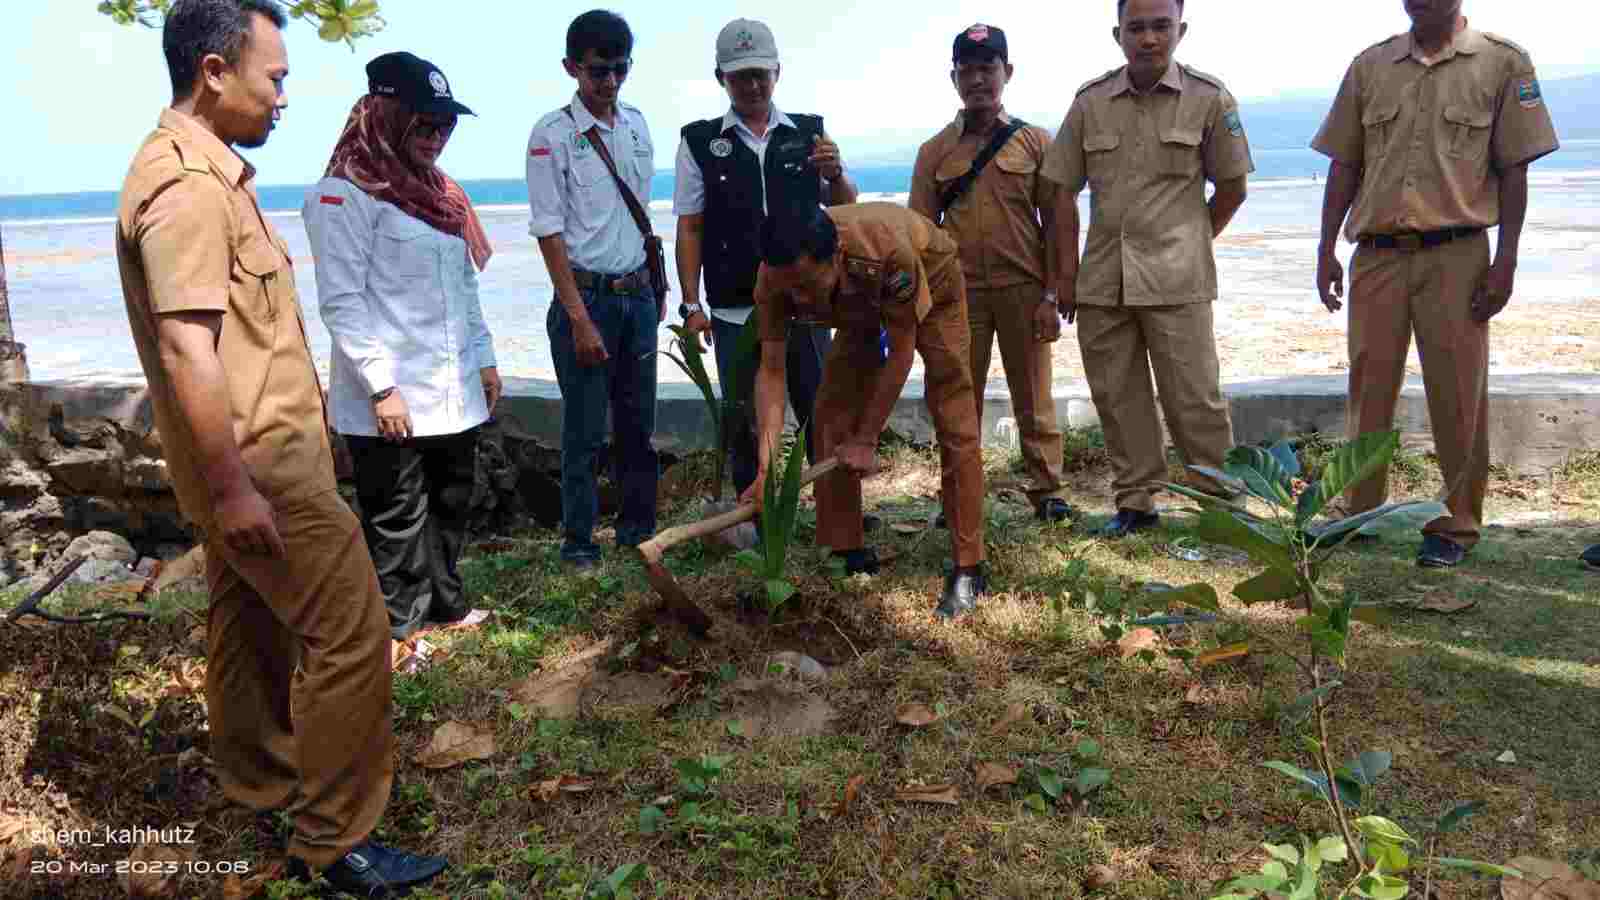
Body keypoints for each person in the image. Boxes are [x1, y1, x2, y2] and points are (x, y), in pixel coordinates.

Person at [114, 1, 445, 893]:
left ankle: (260, 783)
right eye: (277, 75)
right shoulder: (185, 186)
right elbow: (187, 347)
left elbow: (238, 341)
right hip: (257, 466)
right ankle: (336, 842)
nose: (286, 96)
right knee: (352, 630)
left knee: (249, 619)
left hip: (255, 458)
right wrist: (232, 491)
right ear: (215, 71)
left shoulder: (204, 173)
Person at [1312, 0, 1558, 569]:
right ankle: (1358, 511)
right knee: (1367, 387)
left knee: (1458, 392)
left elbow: (1515, 171)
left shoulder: (1503, 64)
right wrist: (1325, 248)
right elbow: (1344, 165)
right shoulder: (1369, 67)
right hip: (1376, 254)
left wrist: (1507, 262)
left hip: (1458, 254)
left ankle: (1456, 523)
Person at [303, 51, 500, 640]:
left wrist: (485, 357)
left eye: (445, 125)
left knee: (451, 501)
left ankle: (447, 608)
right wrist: (381, 386)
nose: (438, 137)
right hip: (388, 399)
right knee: (397, 517)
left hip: (451, 386)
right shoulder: (345, 195)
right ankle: (401, 633)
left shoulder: (441, 195)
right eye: (426, 124)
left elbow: (464, 286)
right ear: (389, 117)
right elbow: (342, 301)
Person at [1043, 0, 1252, 538]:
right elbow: (1060, 189)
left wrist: (1190, 236)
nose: (1149, 38)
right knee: (1118, 396)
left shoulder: (1209, 98)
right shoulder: (1090, 102)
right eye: (1137, 27)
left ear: (1180, 29)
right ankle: (1136, 503)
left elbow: (1231, 187)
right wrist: (1065, 275)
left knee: (1195, 399)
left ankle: (1220, 506)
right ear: (1118, 34)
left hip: (1177, 279)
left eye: (1161, 26)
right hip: (1103, 280)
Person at [742, 203, 987, 619]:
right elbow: (771, 370)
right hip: (855, 302)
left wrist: (867, 439)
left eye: (805, 285)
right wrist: (765, 470)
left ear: (835, 253)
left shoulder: (891, 254)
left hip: (934, 282)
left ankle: (969, 565)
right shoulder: (774, 278)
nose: (799, 300)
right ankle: (845, 551)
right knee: (831, 414)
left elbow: (900, 354)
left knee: (952, 411)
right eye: (790, 290)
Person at [673, 18, 857, 501]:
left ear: (777, 71)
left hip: (810, 300)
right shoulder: (698, 141)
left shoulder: (810, 133)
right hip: (735, 303)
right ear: (721, 79)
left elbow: (844, 210)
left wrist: (836, 174)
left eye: (760, 73)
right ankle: (752, 513)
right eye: (739, 76)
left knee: (821, 406)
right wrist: (691, 305)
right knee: (741, 416)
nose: (752, 85)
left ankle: (835, 513)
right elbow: (689, 226)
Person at [910, 23, 1072, 524]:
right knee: (957, 400)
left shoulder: (1038, 143)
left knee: (1035, 400)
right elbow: (917, 237)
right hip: (958, 297)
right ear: (953, 77)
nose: (978, 79)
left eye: (988, 69)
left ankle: (1047, 492)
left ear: (1008, 72)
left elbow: (1061, 222)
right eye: (967, 71)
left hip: (1024, 291)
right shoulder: (934, 152)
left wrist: (1056, 293)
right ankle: (957, 495)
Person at [527, 10, 659, 571]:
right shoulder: (551, 134)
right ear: (571, 68)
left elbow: (641, 213)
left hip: (638, 297)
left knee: (638, 427)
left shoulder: (636, 123)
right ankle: (579, 542)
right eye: (597, 70)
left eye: (620, 69)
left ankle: (637, 535)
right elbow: (549, 232)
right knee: (583, 430)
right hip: (588, 299)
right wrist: (578, 317)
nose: (609, 82)